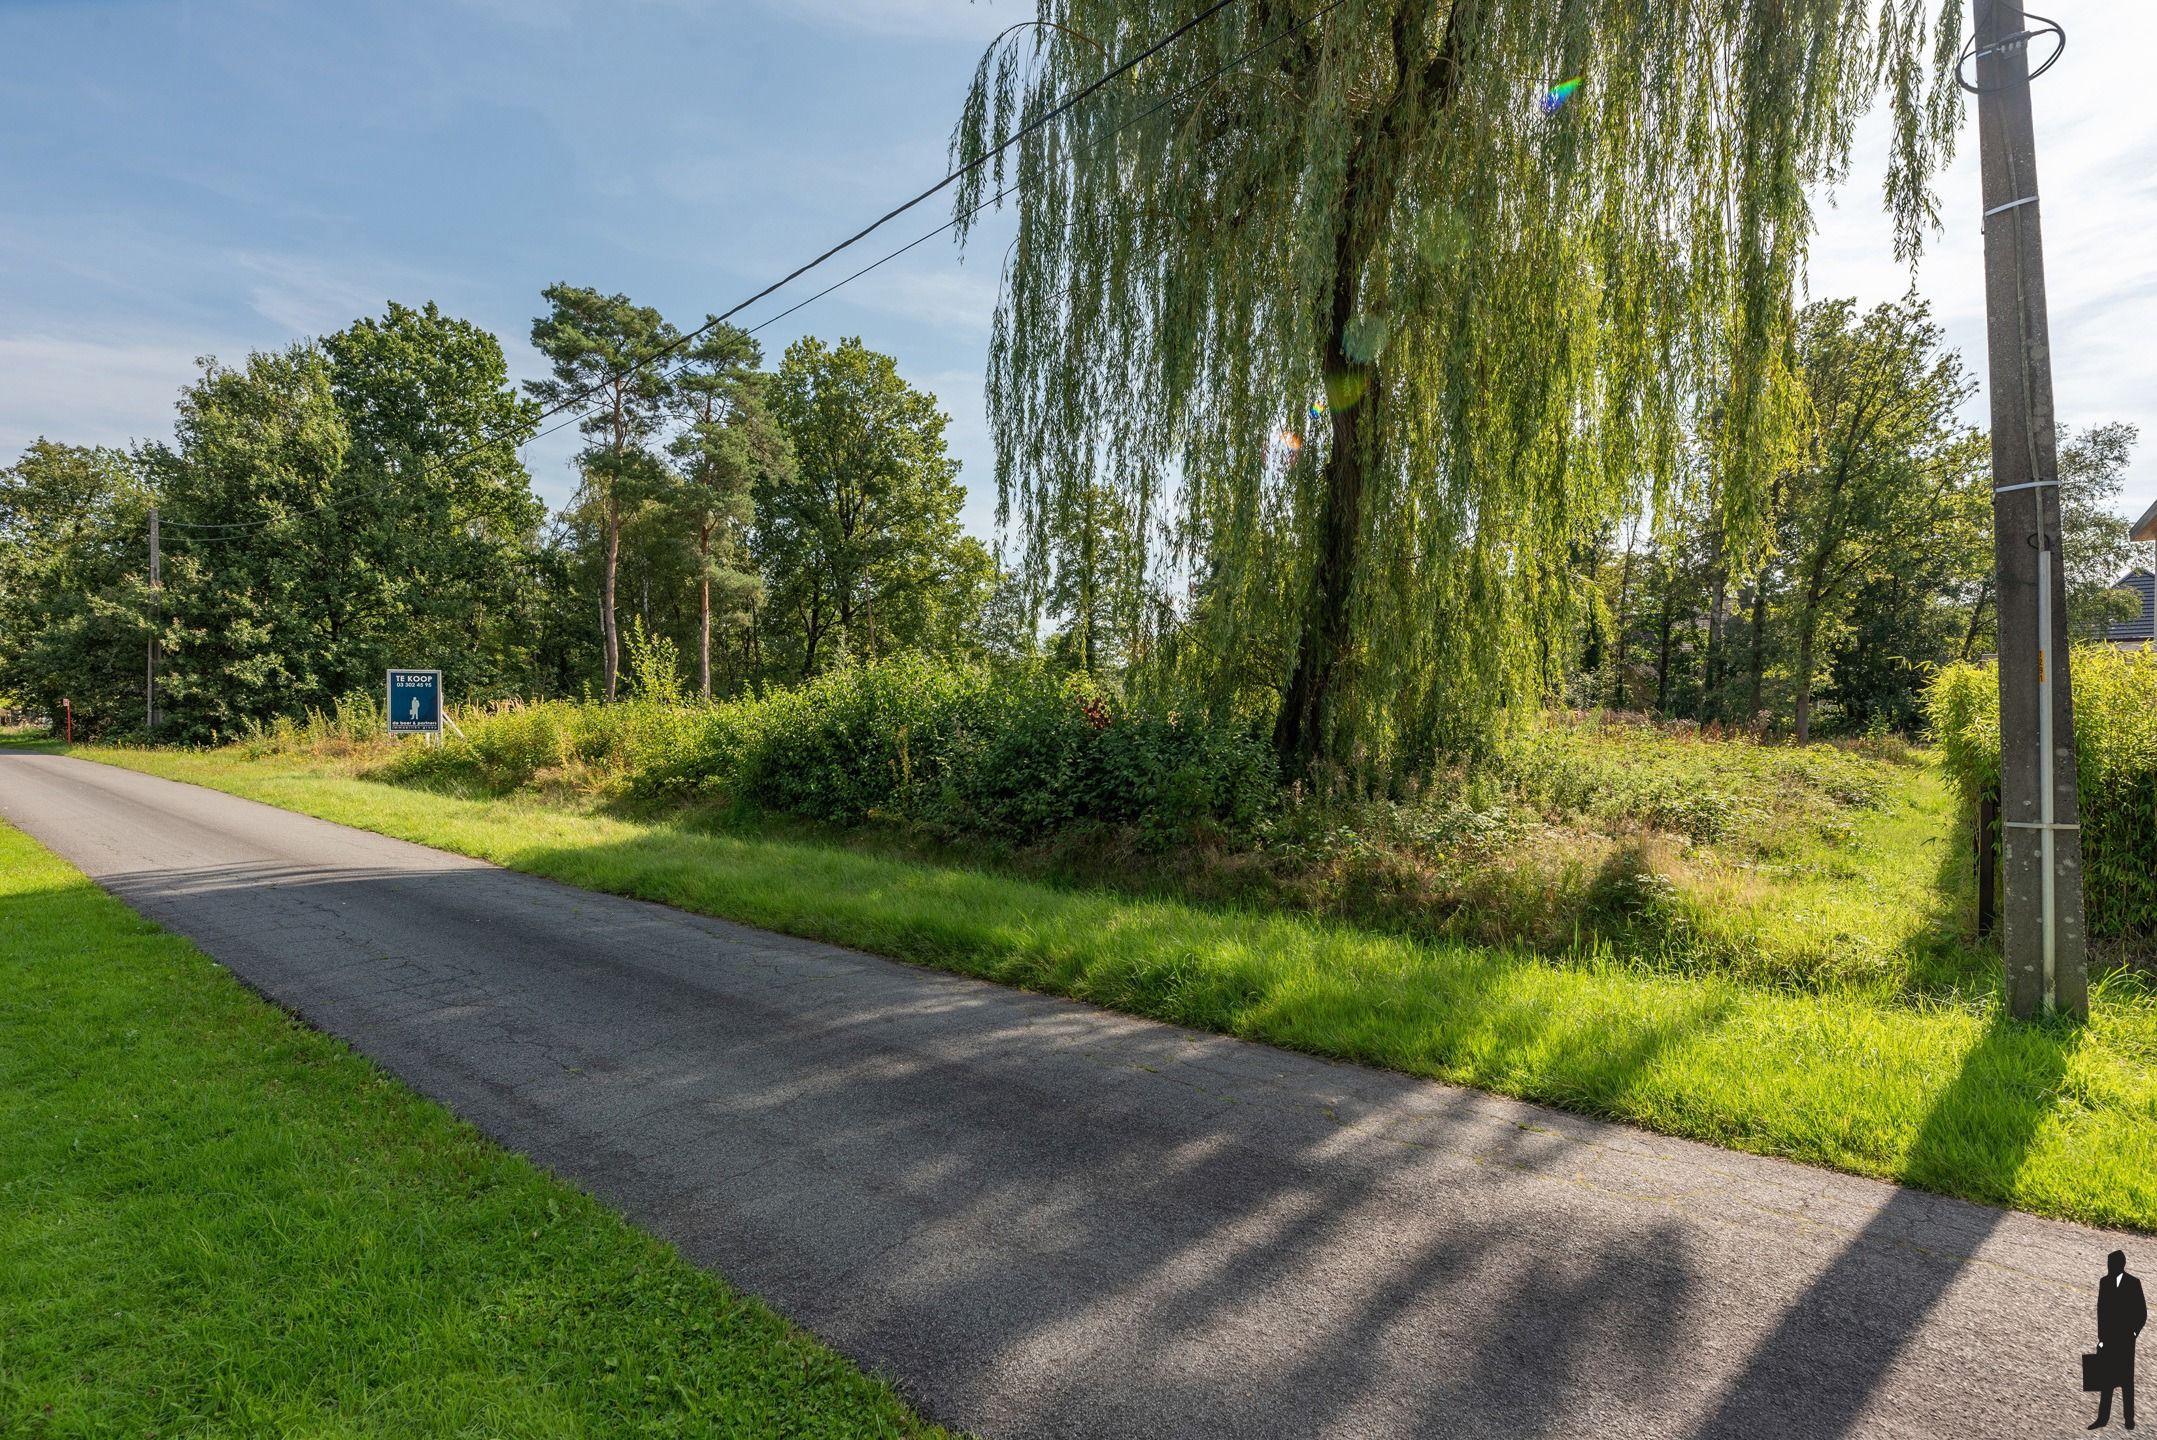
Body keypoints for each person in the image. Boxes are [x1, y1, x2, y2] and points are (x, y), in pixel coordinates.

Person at [2094, 1249, 2147, 1430]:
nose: (2109, 1268)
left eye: (2112, 1264)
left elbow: (2142, 1312)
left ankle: (2129, 1419)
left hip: (2125, 1341)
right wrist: (2101, 1338)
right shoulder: (2104, 1282)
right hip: (2109, 1339)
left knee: (2126, 1382)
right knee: (2106, 1381)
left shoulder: (2133, 1283)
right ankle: (2103, 1418)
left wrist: (2133, 1333)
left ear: (2120, 1265)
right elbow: (2101, 1312)